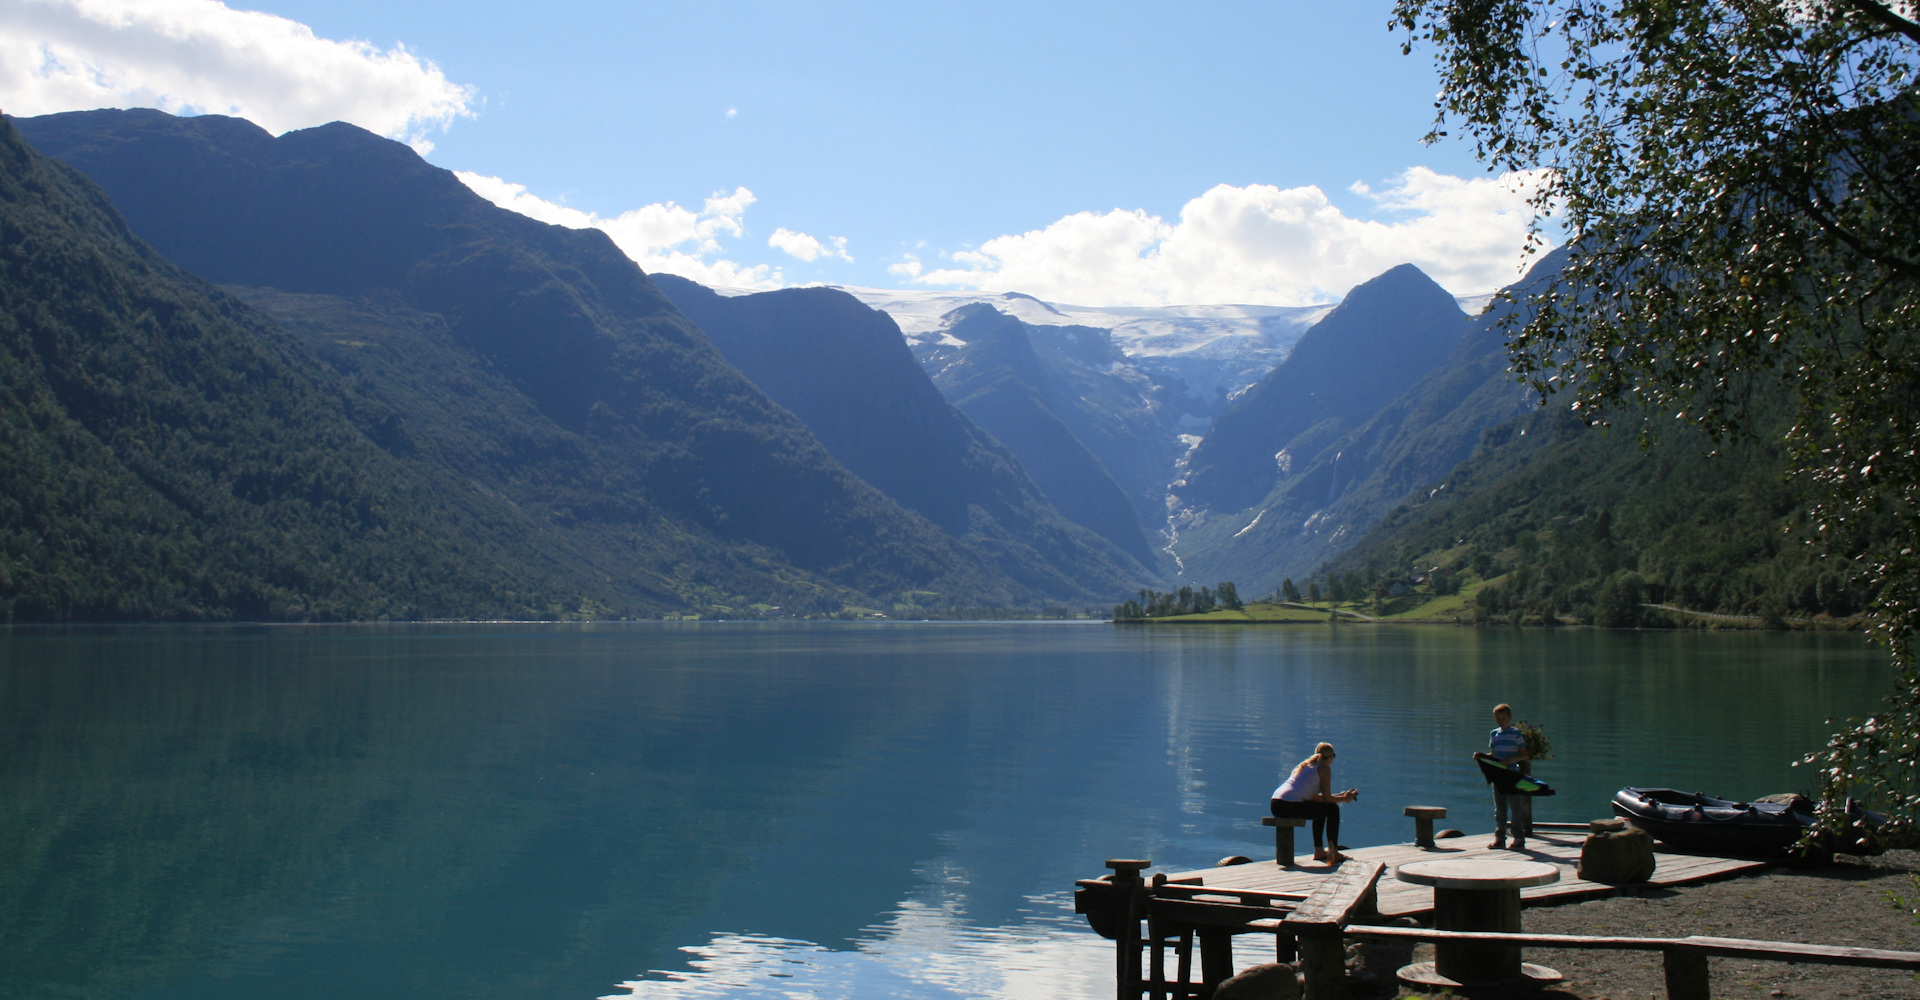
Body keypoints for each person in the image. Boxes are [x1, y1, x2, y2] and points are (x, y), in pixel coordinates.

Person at [1270, 742, 1359, 864]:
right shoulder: (1324, 768)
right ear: (1332, 756)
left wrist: (1343, 796)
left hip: (1276, 804)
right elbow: (1327, 799)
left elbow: (1317, 798)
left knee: (1322, 808)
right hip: (1289, 804)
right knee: (1332, 809)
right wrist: (1345, 799)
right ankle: (1333, 851)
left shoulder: (1306, 766)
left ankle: (1319, 851)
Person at [1482, 703, 1532, 851]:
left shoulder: (1515, 734)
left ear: (1510, 717)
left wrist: (1509, 760)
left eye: (1503, 718)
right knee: (1500, 808)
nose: (1500, 721)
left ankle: (1518, 837)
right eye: (1498, 718)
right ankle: (1500, 837)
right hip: (1498, 775)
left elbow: (1524, 754)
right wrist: (1482, 757)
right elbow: (1494, 755)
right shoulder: (1494, 734)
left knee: (1515, 807)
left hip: (1511, 774)